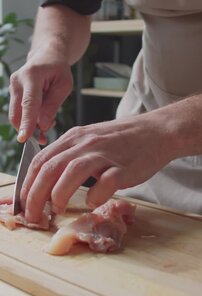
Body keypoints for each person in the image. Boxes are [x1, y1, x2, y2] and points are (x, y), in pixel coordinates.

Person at [9, 0, 202, 223]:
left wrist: (163, 131)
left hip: (153, 130)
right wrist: (52, 48)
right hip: (146, 123)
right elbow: (70, 5)